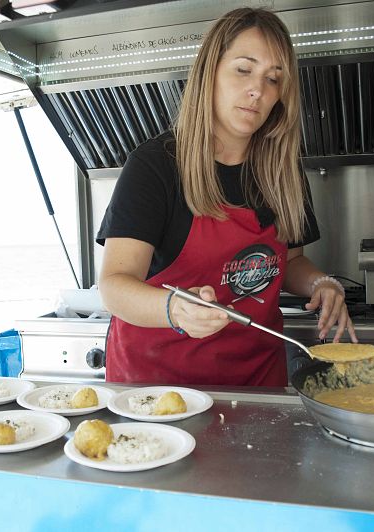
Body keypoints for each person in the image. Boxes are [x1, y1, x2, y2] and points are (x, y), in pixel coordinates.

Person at [96, 7, 357, 386]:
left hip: (257, 384)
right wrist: (176, 309)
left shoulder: (283, 172)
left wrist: (322, 283)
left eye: (273, 79)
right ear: (210, 72)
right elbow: (114, 285)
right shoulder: (156, 165)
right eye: (243, 69)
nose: (258, 90)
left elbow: (288, 262)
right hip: (160, 392)